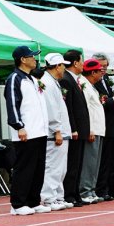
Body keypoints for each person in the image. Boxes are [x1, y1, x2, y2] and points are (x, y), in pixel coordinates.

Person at [4, 45, 49, 216]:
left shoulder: (31, 79)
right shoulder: (15, 78)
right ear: (23, 59)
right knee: (24, 168)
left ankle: (33, 201)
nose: (35, 59)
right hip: (26, 132)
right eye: (32, 56)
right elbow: (12, 104)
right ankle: (17, 203)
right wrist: (18, 126)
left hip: (39, 131)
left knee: (38, 168)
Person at [39, 53, 72, 211]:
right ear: (57, 66)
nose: (64, 68)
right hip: (55, 133)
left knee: (61, 168)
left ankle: (58, 196)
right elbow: (51, 110)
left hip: (61, 131)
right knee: (53, 167)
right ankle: (48, 198)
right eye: (63, 65)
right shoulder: (47, 83)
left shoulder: (53, 82)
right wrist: (56, 129)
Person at [59, 49, 90, 206]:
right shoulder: (66, 80)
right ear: (76, 62)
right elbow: (68, 107)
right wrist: (73, 128)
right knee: (72, 164)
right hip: (74, 130)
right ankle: (69, 194)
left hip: (82, 129)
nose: (83, 64)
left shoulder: (76, 80)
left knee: (78, 164)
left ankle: (75, 193)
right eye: (82, 60)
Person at [92, 52, 114, 201]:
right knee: (103, 159)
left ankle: (111, 187)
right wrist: (111, 101)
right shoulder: (91, 81)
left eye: (105, 66)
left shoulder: (105, 78)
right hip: (101, 123)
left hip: (112, 123)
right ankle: (101, 188)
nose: (103, 69)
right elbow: (99, 102)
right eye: (100, 66)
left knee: (111, 158)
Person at [78, 58, 106, 204]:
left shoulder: (92, 86)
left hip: (99, 129)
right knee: (89, 161)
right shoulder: (84, 85)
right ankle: (85, 190)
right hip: (92, 129)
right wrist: (90, 129)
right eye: (99, 71)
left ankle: (91, 189)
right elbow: (86, 109)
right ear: (93, 72)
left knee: (95, 162)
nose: (102, 74)